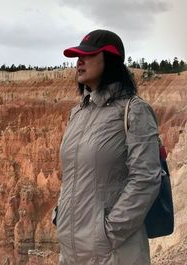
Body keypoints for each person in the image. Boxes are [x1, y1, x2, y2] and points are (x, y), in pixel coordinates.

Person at [56, 29, 162, 264]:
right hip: (71, 251)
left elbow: (146, 179)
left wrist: (108, 233)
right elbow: (73, 177)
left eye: (88, 55)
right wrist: (59, 216)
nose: (79, 61)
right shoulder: (78, 113)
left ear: (110, 59)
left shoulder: (133, 110)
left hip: (113, 253)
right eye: (77, 56)